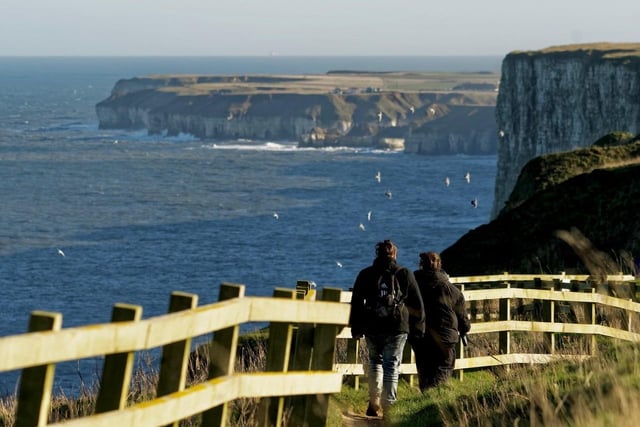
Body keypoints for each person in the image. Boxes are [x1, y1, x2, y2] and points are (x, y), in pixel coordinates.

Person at [349, 240, 425, 417]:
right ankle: (389, 407)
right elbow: (417, 302)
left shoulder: (366, 274)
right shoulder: (404, 273)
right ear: (395, 255)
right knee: (391, 365)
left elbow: (357, 302)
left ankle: (374, 403)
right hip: (397, 326)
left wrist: (356, 328)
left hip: (372, 325)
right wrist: (419, 328)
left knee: (375, 361)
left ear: (377, 254)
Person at [411, 251, 471, 391]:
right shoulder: (452, 290)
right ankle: (435, 396)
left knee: (424, 368)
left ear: (421, 265)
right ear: (440, 265)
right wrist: (464, 329)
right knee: (444, 366)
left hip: (420, 334)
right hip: (445, 336)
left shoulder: (414, 287)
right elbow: (462, 316)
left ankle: (426, 395)